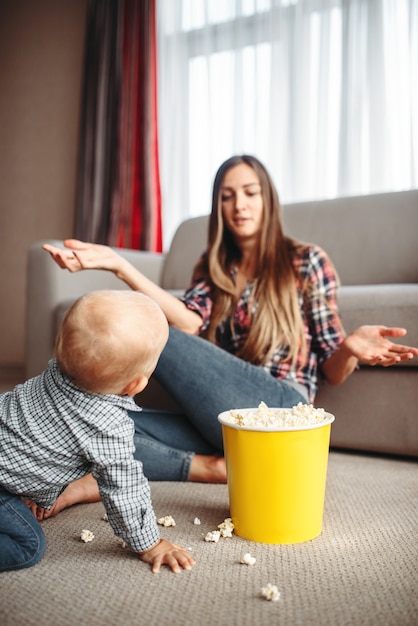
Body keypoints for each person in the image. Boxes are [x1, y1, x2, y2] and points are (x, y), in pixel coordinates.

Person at [42, 154, 418, 501]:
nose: (239, 205)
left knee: (152, 325)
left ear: (267, 199)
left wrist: (349, 348)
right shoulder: (213, 265)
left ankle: (116, 478)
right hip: (227, 423)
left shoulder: (306, 260)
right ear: (218, 206)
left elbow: (333, 374)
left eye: (250, 193)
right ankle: (210, 468)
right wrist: (117, 264)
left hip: (284, 410)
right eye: (227, 196)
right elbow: (189, 322)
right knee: (96, 418)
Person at [0, 290, 195, 574]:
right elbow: (123, 490)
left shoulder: (56, 372)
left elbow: (38, 441)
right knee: (27, 545)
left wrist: (43, 494)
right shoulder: (108, 429)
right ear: (137, 384)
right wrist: (149, 543)